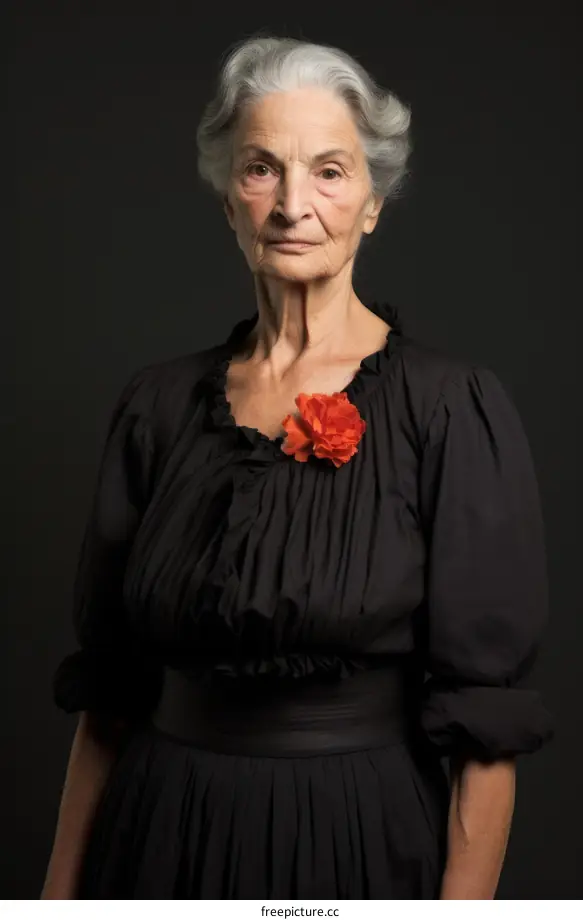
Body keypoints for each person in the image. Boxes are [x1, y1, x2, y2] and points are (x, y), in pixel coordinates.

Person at [42, 36, 554, 900]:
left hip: (357, 835)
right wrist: (52, 905)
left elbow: (485, 733)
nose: (291, 205)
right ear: (227, 202)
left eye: (328, 172)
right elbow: (109, 702)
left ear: (373, 203)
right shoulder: (156, 407)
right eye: (260, 170)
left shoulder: (449, 405)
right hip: (161, 830)